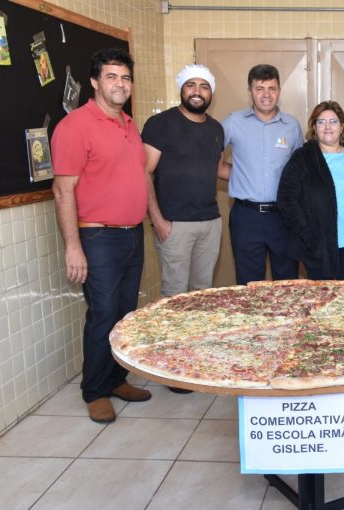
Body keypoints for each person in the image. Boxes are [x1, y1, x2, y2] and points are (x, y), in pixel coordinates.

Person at [51, 48, 151, 424]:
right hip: (98, 238)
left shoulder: (129, 124)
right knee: (103, 314)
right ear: (94, 82)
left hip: (132, 235)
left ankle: (115, 379)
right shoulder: (75, 126)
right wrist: (73, 247)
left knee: (124, 314)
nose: (120, 84)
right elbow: (63, 190)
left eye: (125, 78)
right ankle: (94, 391)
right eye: (111, 77)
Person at [142, 64, 225, 394]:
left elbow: (217, 169)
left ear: (211, 92)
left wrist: (266, 177)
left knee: (201, 294)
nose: (197, 91)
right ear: (182, 89)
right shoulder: (160, 124)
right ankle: (172, 368)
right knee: (175, 297)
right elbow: (144, 173)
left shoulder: (216, 129)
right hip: (174, 224)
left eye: (204, 86)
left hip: (210, 222)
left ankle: (195, 359)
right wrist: (158, 220)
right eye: (191, 85)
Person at [220, 64, 302, 284]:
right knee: (249, 285)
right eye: (260, 88)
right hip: (246, 217)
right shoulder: (234, 122)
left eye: (272, 88)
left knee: (287, 284)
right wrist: (239, 175)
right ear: (250, 91)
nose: (266, 94)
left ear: (279, 91)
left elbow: (300, 172)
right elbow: (211, 160)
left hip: (283, 217)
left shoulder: (292, 126)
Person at [277, 101, 344, 282]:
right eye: (321, 122)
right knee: (323, 297)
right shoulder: (302, 157)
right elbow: (286, 200)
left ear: (342, 126)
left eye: (333, 121)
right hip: (319, 248)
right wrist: (308, 235)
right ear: (314, 128)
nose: (327, 127)